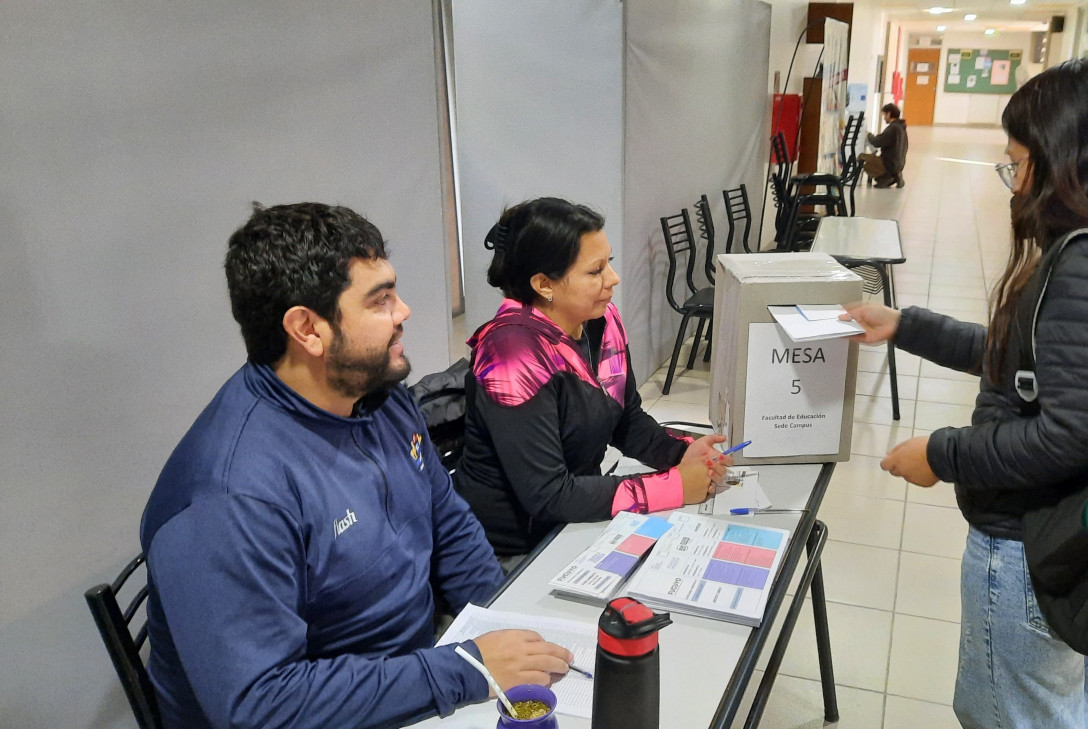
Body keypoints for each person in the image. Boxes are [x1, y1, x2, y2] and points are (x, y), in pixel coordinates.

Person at [841, 58, 1088, 728]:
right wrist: (905, 325)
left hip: (1031, 546)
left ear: (1066, 163)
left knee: (1011, 712)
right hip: (1073, 534)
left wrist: (942, 453)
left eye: (1018, 163)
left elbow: (1072, 430)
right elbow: (1035, 360)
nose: (1015, 185)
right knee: (1059, 707)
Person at [140, 203, 574, 729]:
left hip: (409, 674)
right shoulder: (232, 496)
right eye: (381, 300)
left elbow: (446, 520)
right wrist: (468, 668)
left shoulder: (376, 394)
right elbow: (261, 706)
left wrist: (501, 623)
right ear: (307, 329)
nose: (404, 311)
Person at [455, 197, 731, 559]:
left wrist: (682, 453)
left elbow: (626, 420)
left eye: (609, 263)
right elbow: (548, 494)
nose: (613, 279)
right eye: (595, 270)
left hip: (573, 519)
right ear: (544, 284)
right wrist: (674, 486)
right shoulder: (512, 353)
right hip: (514, 549)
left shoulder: (599, 320)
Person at [866, 103, 909, 188]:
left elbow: (877, 142)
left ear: (889, 114)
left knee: (864, 160)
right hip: (899, 164)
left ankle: (885, 177)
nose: (884, 117)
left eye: (884, 115)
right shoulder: (901, 128)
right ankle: (895, 176)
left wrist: (869, 135)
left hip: (889, 164)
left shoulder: (893, 128)